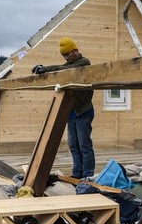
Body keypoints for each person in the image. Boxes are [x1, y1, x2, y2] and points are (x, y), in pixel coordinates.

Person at [33, 37, 95, 180]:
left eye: (68, 54)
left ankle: (88, 175)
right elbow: (61, 68)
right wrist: (43, 70)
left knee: (84, 145)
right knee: (73, 145)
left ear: (76, 50)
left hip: (83, 111)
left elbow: (63, 69)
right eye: (64, 55)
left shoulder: (84, 63)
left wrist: (45, 69)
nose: (66, 57)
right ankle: (77, 173)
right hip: (71, 112)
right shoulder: (68, 64)